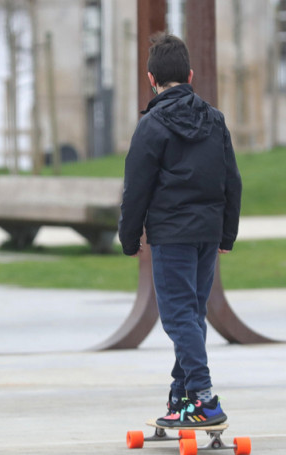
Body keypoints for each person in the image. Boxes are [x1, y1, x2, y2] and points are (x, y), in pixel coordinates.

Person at [118, 33, 242, 427]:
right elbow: (232, 181)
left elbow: (136, 187)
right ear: (189, 75)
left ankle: (204, 398)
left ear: (151, 78)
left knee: (178, 317)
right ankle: (182, 398)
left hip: (172, 235)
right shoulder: (215, 119)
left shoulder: (151, 126)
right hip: (207, 233)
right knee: (191, 314)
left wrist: (128, 236)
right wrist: (227, 235)